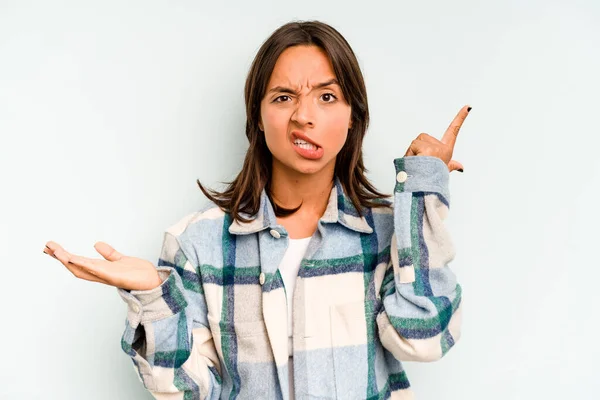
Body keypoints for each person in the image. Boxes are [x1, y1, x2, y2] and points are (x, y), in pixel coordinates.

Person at [44, 19, 467, 400]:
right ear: (259, 117)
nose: (304, 116)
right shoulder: (198, 244)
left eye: (327, 95)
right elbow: (185, 392)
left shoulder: (391, 232)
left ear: (354, 115)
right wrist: (154, 300)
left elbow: (423, 338)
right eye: (284, 97)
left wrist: (421, 193)